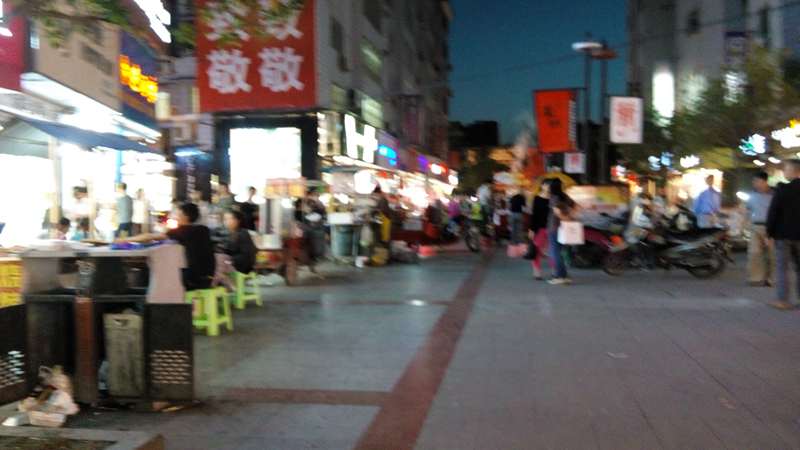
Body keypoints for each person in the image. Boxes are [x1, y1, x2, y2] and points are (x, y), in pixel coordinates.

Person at [122, 203, 216, 291]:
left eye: (178, 214)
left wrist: (124, 239)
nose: (175, 217)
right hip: (208, 276)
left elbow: (150, 237)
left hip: (192, 278)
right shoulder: (204, 230)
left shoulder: (181, 230)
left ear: (186, 216)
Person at [766, 160, 800, 310]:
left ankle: (783, 300)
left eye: (786, 169)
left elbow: (773, 212)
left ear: (794, 171)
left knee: (782, 268)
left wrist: (769, 233)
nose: (784, 172)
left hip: (783, 235)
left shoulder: (783, 189)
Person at [744, 171, 774, 287]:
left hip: (770, 228)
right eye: (754, 181)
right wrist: (745, 223)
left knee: (772, 254)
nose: (754, 183)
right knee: (754, 253)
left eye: (757, 181)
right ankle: (756, 278)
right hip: (755, 226)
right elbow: (748, 210)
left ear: (764, 181)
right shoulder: (752, 195)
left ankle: (771, 278)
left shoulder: (774, 194)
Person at [547, 178, 576, 285]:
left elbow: (557, 211)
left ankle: (560, 276)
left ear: (551, 187)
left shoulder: (554, 197)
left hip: (554, 228)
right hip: (564, 228)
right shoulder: (565, 196)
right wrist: (570, 217)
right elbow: (576, 206)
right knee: (560, 252)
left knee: (555, 253)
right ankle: (564, 275)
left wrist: (565, 218)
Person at [221, 210, 257, 274]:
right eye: (225, 219)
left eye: (229, 219)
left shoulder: (243, 234)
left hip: (241, 271)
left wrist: (230, 259)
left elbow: (246, 255)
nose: (226, 221)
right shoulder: (230, 233)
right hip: (233, 268)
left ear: (237, 221)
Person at [528, 181, 551, 280]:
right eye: (546, 185)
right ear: (542, 186)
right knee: (536, 250)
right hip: (539, 228)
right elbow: (534, 215)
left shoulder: (553, 198)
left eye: (550, 185)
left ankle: (556, 271)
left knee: (552, 250)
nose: (548, 187)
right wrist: (531, 229)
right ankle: (537, 272)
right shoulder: (537, 198)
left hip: (551, 227)